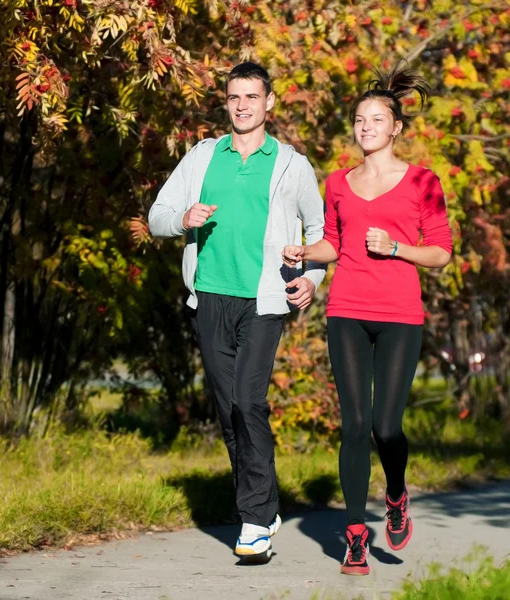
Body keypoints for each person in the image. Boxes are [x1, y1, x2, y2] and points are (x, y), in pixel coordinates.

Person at [148, 62, 326, 560]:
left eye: (252, 96)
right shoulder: (204, 157)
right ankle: (264, 507)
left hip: (266, 299)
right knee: (230, 412)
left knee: (249, 403)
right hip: (209, 296)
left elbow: (320, 236)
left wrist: (310, 280)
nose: (242, 105)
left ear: (270, 102)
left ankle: (253, 519)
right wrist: (183, 219)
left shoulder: (292, 165)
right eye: (234, 97)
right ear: (226, 103)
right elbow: (157, 217)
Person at [283, 63, 452, 575]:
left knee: (385, 427)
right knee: (354, 425)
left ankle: (396, 493)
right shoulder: (337, 181)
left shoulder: (423, 180)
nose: (365, 128)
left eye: (376, 120)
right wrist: (302, 251)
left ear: (396, 127)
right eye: (359, 120)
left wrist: (397, 247)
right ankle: (356, 534)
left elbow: (441, 253)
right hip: (347, 310)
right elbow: (332, 245)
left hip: (401, 314)